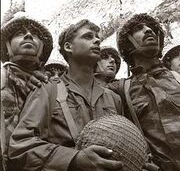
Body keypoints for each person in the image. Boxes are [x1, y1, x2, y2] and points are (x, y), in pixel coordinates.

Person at [8, 19, 124, 171]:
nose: (96, 40)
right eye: (88, 37)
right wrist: (74, 159)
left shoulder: (114, 98)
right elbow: (21, 146)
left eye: (98, 38)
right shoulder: (47, 89)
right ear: (68, 47)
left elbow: (125, 138)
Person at [110, 13, 180, 171]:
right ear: (128, 44)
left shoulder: (177, 77)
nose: (148, 30)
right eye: (139, 29)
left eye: (151, 28)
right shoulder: (121, 90)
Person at [1, 12, 53, 170]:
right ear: (8, 46)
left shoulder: (50, 86)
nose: (29, 35)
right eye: (19, 33)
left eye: (35, 34)